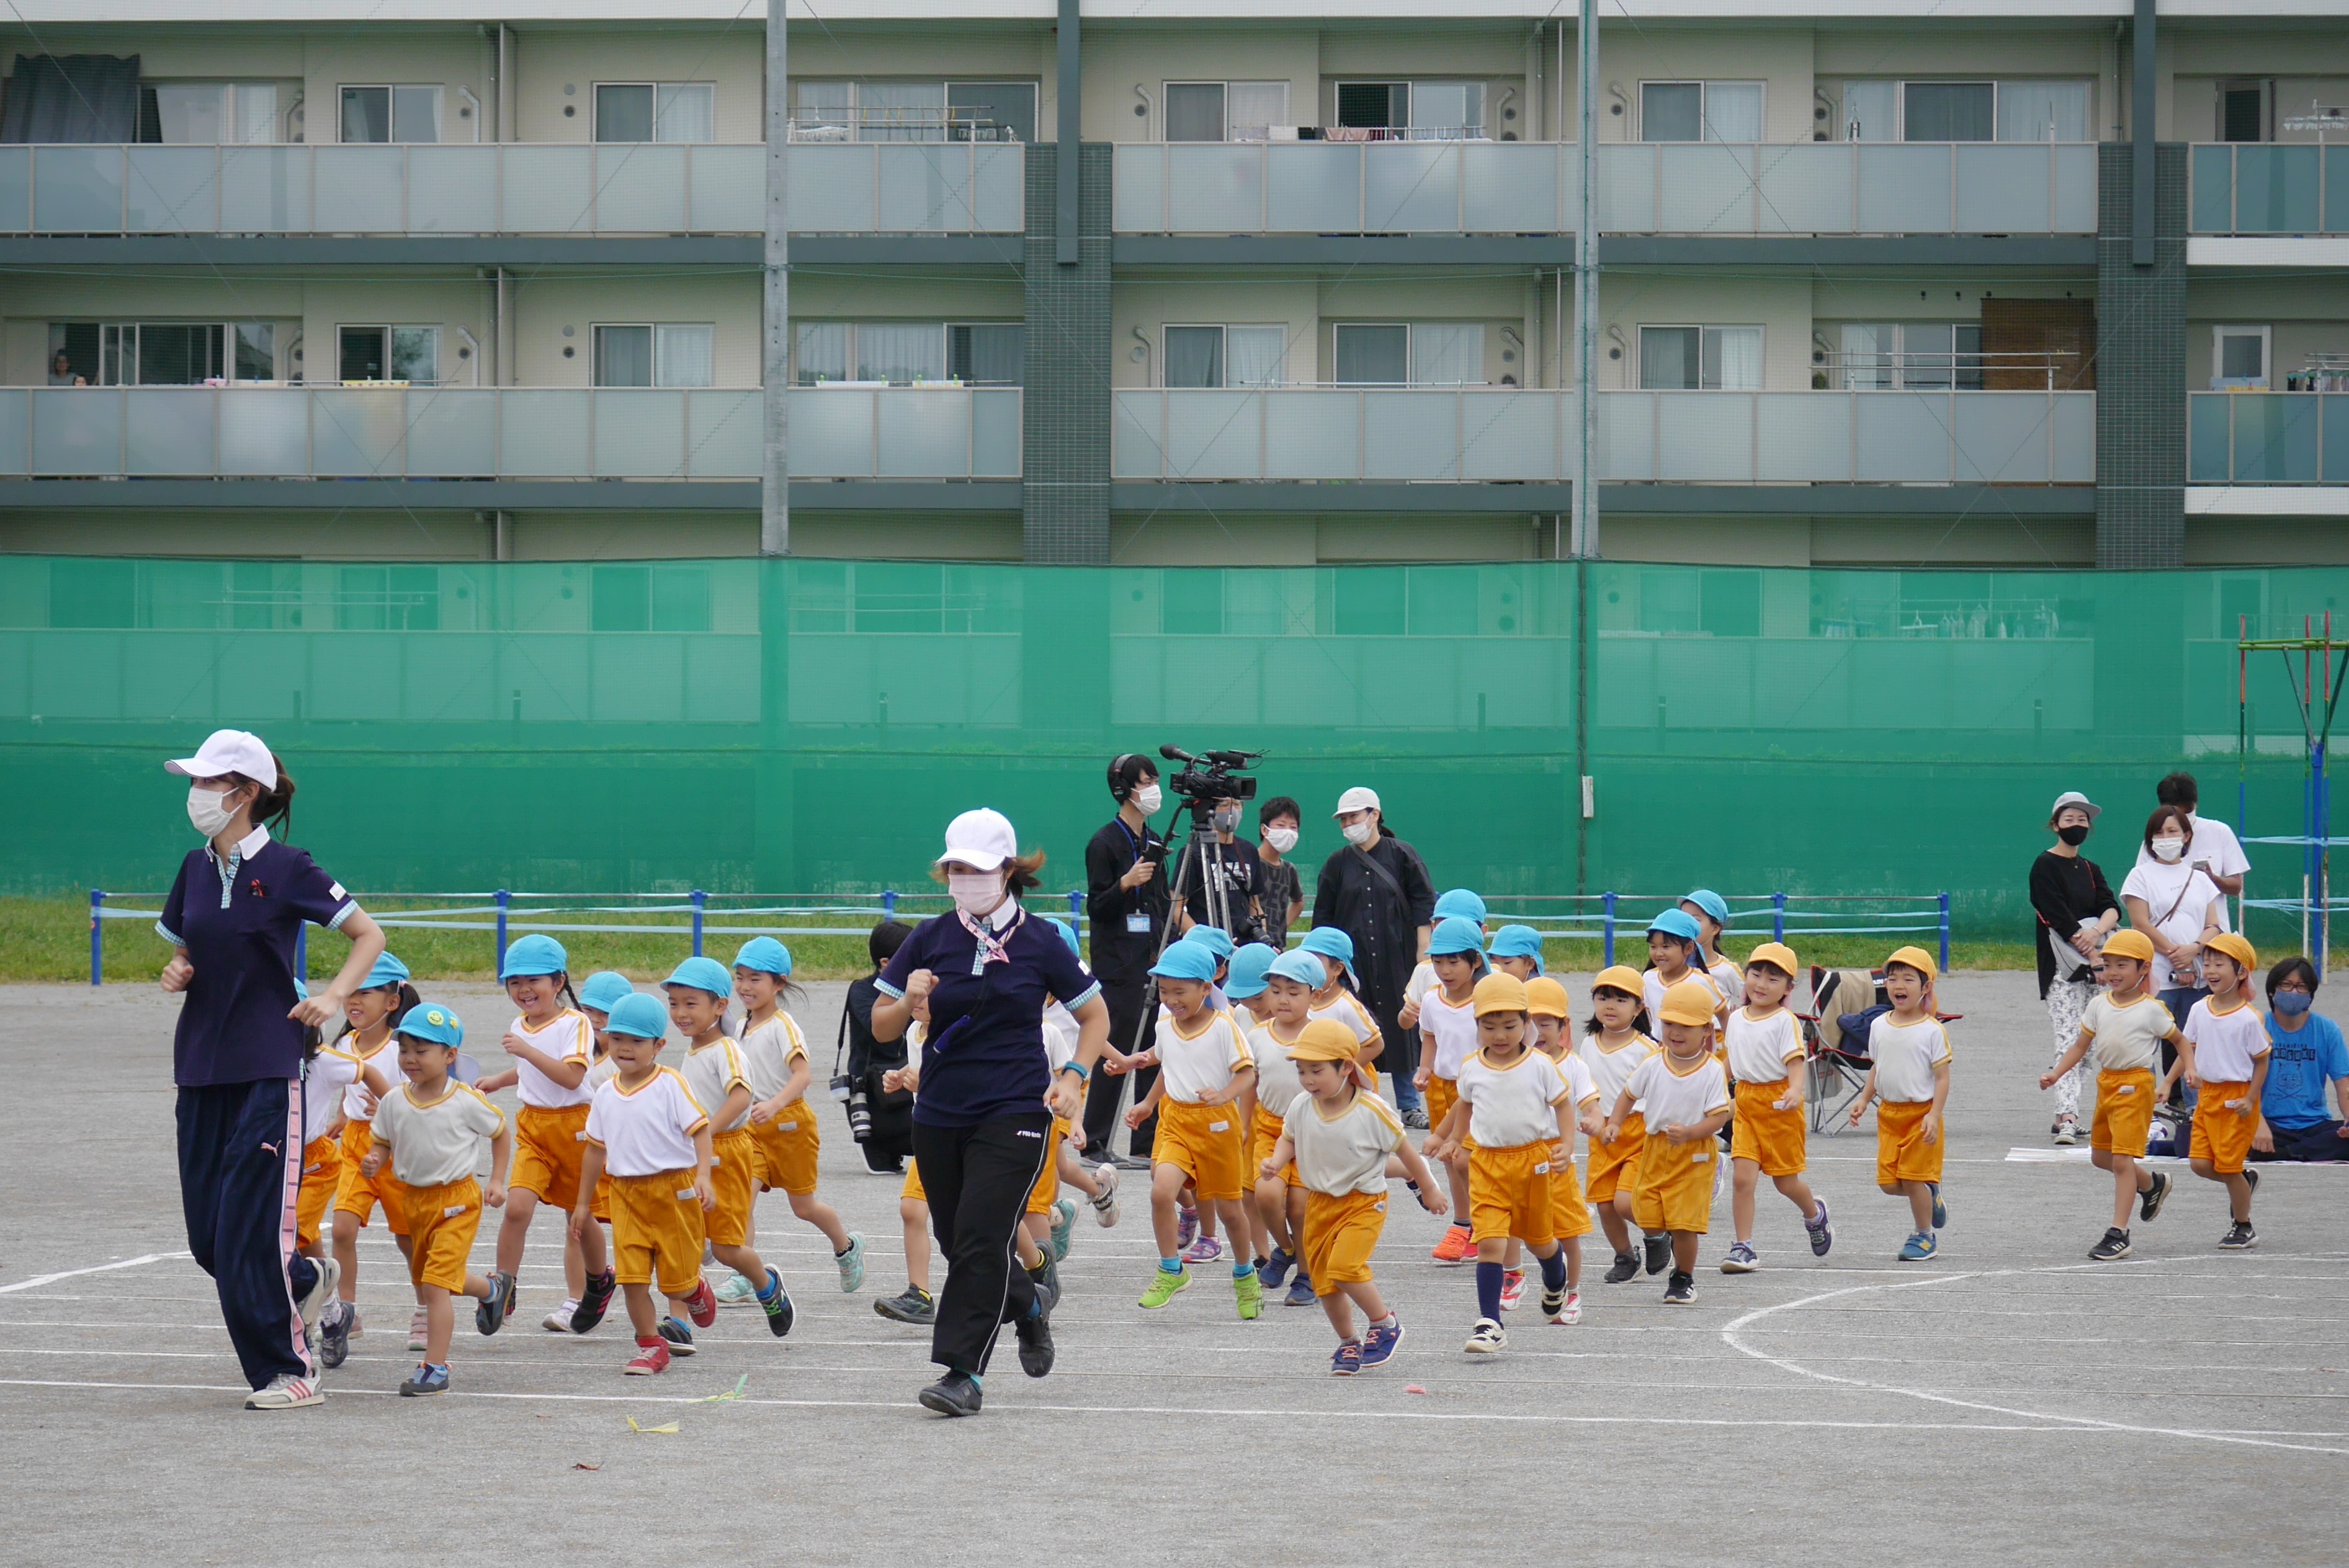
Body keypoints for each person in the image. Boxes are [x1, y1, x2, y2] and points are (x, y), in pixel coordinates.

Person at [156, 728, 387, 1410]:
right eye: (194, 781)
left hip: (268, 1061)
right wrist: (179, 967)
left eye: (209, 781)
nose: (198, 794)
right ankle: (304, 1275)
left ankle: (289, 1372)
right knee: (210, 1240)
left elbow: (368, 934)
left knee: (250, 1228)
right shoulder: (193, 869)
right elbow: (190, 949)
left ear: (246, 792)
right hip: (199, 1064)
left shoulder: (289, 866)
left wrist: (335, 996)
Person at [871, 807, 1111, 1418]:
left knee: (980, 1237)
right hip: (940, 1111)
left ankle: (963, 1373)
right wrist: (912, 1001)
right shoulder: (929, 936)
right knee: (962, 1243)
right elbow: (881, 1020)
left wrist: (1076, 1076)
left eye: (977, 867)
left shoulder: (1041, 941)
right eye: (955, 867)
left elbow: (1095, 1016)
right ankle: (1029, 1303)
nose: (964, 878)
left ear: (1007, 870)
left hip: (1017, 1109)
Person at [1260, 1020, 1445, 1375]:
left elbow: (1406, 1152)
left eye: (1317, 1071)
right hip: (1319, 1204)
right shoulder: (1302, 1105)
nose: (1308, 1080)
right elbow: (1288, 1138)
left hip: (1363, 1201)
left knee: (1344, 1269)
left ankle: (1385, 1324)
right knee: (1326, 1284)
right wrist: (1276, 1162)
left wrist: (1430, 1187)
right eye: (1301, 1071)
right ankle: (1348, 1343)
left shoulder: (1371, 1109)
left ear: (1346, 1067)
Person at [359, 1001, 512, 1397]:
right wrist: (376, 1159)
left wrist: (496, 1180)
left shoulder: (464, 1100)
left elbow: (500, 1131)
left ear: (450, 1056)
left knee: (433, 1286)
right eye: (404, 1050)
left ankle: (435, 1367)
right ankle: (492, 1290)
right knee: (435, 1277)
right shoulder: (394, 1100)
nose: (410, 1059)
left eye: (421, 1051)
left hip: (457, 1201)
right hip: (415, 1200)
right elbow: (382, 1138)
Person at [1423, 972, 1577, 1354]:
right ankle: (1490, 1323)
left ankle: (1555, 1277)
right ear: (1477, 1027)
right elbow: (1467, 1106)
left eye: (1510, 1026)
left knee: (1541, 1242)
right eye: (1489, 1027)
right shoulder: (1472, 1067)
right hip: (1488, 1164)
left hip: (1533, 1162)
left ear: (1526, 1024)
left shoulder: (1540, 1065)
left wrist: (1567, 1144)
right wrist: (1455, 1139)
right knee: (1490, 1242)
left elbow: (1562, 1104)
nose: (1500, 1035)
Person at [570, 991, 720, 1377]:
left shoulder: (671, 1084)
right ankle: (651, 1346)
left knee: (676, 1284)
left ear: (659, 1046)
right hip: (625, 1196)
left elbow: (701, 1130)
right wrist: (583, 1205)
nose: (626, 1048)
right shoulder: (604, 1093)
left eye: (638, 1041)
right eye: (618, 1039)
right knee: (633, 1279)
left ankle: (694, 1290)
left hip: (675, 1191)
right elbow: (593, 1152)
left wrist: (703, 1175)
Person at [472, 933, 601, 1343]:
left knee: (579, 1217)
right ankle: (501, 1287)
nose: (524, 990)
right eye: (514, 983)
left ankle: (599, 1282)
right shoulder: (520, 1026)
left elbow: (571, 1076)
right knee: (517, 1208)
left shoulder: (576, 1023)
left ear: (559, 982)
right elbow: (532, 1072)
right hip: (534, 1128)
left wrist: (525, 1053)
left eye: (534, 981)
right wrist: (501, 1078)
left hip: (576, 1129)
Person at [1128, 941, 1262, 1317]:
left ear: (1207, 988)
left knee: (1231, 1213)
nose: (1171, 1000)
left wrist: (1224, 1096)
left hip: (1217, 1126)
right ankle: (1172, 1269)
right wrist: (1147, 1103)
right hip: (1176, 1122)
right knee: (1161, 1191)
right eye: (1165, 991)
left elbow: (1247, 1073)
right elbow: (1165, 1063)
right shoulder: (1165, 1026)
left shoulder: (1224, 1027)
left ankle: (1244, 1274)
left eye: (1180, 992)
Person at [730, 936, 867, 1303]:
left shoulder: (783, 1025)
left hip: (790, 1124)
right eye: (740, 977)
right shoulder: (740, 1026)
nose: (745, 986)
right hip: (751, 1126)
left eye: (755, 978)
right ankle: (745, 1271)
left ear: (779, 984)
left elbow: (803, 1076)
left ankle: (847, 1246)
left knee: (803, 1207)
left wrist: (774, 1105)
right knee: (742, 1199)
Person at [666, 956, 796, 1340]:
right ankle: (679, 1322)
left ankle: (766, 1283)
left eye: (691, 1004)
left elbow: (741, 1098)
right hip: (694, 1153)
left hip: (729, 1151)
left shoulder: (725, 1050)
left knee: (726, 1248)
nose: (680, 1013)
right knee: (680, 1237)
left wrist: (701, 1133)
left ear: (720, 1006)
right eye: (674, 1004)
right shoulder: (690, 1052)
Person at [2039, 929, 2178, 1261]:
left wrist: (2172, 1081)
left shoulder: (2152, 1009)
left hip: (2136, 1085)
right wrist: (2056, 1073)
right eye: (2107, 965)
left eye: (2122, 965)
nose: (2112, 973)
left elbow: (2181, 1041)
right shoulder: (2099, 1005)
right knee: (2101, 1157)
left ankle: (2119, 1233)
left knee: (2121, 1160)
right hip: (2108, 1083)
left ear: (2144, 969)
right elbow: (2080, 1046)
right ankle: (2152, 1185)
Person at [1311, 786, 1435, 1121]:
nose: (1348, 824)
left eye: (1353, 816)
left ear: (1374, 815)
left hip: (1398, 957)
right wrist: (1324, 964)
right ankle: (1352, 1096)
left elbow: (1424, 902)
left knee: (1403, 1025)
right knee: (1352, 1026)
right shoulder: (1336, 863)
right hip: (1353, 963)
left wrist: (1424, 952)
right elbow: (1323, 915)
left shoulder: (1402, 854)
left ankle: (1409, 1104)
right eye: (1343, 819)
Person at [1604, 982, 1732, 1306]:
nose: (1675, 1031)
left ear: (1706, 1030)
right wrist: (1616, 1123)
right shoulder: (1653, 1062)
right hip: (1655, 1148)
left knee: (1684, 1224)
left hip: (1694, 1152)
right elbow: (1629, 1094)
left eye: (1686, 1026)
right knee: (1645, 1210)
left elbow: (1719, 1118)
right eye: (1669, 1023)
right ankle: (1657, 1237)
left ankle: (1683, 1277)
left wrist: (1691, 1132)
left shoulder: (1712, 1070)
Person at [321, 952, 419, 1365]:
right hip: (357, 1147)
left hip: (398, 1147)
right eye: (349, 994)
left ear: (392, 1001)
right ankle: (348, 1310)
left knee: (408, 1236)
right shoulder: (344, 1043)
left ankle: (427, 1307)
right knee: (342, 1227)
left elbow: (416, 1099)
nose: (353, 1001)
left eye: (365, 993)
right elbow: (349, 1089)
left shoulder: (406, 1048)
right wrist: (343, 1116)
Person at [1720, 943, 1831, 1273]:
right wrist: (1708, 1083)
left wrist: (1796, 1090)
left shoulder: (1786, 1022)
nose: (1762, 984)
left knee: (1785, 1183)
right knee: (1743, 1178)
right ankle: (1745, 1246)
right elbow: (1730, 1061)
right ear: (1745, 977)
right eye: (1756, 974)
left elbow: (1795, 1063)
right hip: (1746, 1103)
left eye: (1773, 978)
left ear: (1787, 988)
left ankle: (1814, 1214)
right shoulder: (1737, 1018)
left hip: (1780, 1105)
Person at [1085, 755, 1174, 1165]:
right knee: (1117, 1051)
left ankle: (1145, 1141)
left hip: (1152, 958)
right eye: (1145, 781)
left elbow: (1163, 899)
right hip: (1117, 962)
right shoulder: (1104, 842)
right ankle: (1096, 1141)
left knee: (1153, 1049)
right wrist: (1125, 882)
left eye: (1155, 779)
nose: (1153, 787)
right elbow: (1097, 907)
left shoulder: (1154, 840)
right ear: (1124, 788)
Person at [542, 969, 635, 1333]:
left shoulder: (627, 1064)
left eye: (606, 1015)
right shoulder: (575, 1052)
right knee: (575, 1225)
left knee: (645, 1231)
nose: (595, 1020)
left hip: (626, 1162)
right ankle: (577, 1298)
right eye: (590, 1011)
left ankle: (687, 1281)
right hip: (586, 1156)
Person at [2162, 932, 2269, 1249]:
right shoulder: (2199, 1009)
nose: (2210, 969)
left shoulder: (2249, 1019)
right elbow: (2188, 1049)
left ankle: (2244, 1225)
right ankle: (2243, 1183)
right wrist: (2170, 1082)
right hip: (2208, 1095)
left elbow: (2262, 1063)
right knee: (2199, 1164)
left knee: (2227, 1165)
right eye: (2206, 962)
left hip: (2236, 1098)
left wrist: (2251, 1099)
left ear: (2241, 973)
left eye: (2219, 963)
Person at [1848, 947, 1953, 1261]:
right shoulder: (1880, 1025)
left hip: (1920, 1115)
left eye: (1909, 979)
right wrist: (1865, 1099)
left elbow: (1943, 1078)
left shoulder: (1933, 1031)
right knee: (1889, 1184)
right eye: (1892, 979)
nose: (1899, 986)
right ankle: (1930, 1194)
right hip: (1889, 1114)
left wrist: (1934, 1115)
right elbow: (1877, 1067)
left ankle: (1924, 1236)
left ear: (1926, 988)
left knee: (1911, 1177)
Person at [2031, 790, 2120, 1145]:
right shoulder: (2044, 865)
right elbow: (2052, 910)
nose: (2077, 825)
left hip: (2096, 967)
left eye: (2083, 820)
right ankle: (2069, 1116)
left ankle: (2064, 1113)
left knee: (2090, 1043)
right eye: (2069, 819)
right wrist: (2086, 943)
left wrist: (2098, 933)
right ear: (2055, 825)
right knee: (2069, 1039)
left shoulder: (2091, 869)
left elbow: (2111, 907)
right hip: (2061, 967)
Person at [2119, 804, 2228, 1096]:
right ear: (2150, 840)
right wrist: (2173, 955)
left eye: (2172, 831)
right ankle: (2145, 1107)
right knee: (2145, 1042)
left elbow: (2214, 926)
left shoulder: (2200, 879)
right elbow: (2140, 923)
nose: (2166, 838)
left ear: (2186, 836)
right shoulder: (2139, 876)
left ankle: (2195, 1110)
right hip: (2156, 976)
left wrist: (2194, 950)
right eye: (2159, 833)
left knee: (2195, 1042)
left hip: (2198, 977)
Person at [1526, 975, 1599, 1324]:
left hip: (1557, 1155)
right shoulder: (1511, 1063)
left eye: (1546, 1023)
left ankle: (1571, 1291)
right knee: (1517, 1225)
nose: (1537, 1030)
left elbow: (1590, 1105)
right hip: (1518, 1153)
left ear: (1563, 1026)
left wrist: (1595, 1121)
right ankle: (1514, 1276)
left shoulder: (1574, 1065)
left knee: (1566, 1229)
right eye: (1528, 1022)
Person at [1413, 915, 1487, 1265]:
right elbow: (1430, 1036)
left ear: (1476, 961)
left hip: (1479, 1090)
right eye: (1437, 961)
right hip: (1441, 1089)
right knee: (1449, 1158)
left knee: (1468, 1158)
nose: (1445, 969)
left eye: (1454, 961)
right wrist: (1425, 1068)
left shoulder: (1487, 997)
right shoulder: (1431, 999)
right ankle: (1464, 1222)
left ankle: (1482, 1223)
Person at [1249, 948, 1319, 1307]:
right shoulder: (1258, 1035)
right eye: (1275, 991)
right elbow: (1251, 1082)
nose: (1283, 999)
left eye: (1294, 992)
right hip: (1269, 1129)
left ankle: (1308, 1276)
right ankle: (1287, 1248)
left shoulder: (1323, 1034)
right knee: (1266, 1194)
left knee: (1301, 1207)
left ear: (1314, 995)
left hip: (1312, 1134)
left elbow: (1352, 1080)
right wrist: (1244, 1128)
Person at [1580, 965, 1658, 1284]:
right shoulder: (1588, 1044)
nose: (1610, 1005)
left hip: (1637, 1132)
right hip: (1601, 1135)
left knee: (1625, 1202)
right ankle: (1626, 1255)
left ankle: (1657, 1234)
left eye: (1621, 999)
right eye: (1603, 997)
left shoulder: (1647, 1048)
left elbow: (1661, 1092)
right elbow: (1585, 1087)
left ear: (1639, 1007)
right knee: (1605, 1206)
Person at [2254, 957, 2349, 1162]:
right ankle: (2304, 1151)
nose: (2293, 992)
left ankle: (2285, 1153)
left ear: (2310, 994)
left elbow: (2344, 1084)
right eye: (2286, 985)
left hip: (2315, 1125)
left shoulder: (2327, 1029)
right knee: (2226, 1134)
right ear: (2272, 990)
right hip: (2267, 1122)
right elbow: (2242, 1084)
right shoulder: (2257, 1027)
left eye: (2301, 987)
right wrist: (2257, 1123)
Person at [843, 920, 916, 1174]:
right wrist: (910, 1001)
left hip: (910, 1085)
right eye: (912, 957)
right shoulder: (862, 992)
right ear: (886, 964)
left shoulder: (919, 991)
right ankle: (878, 1144)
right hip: (875, 1094)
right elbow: (884, 1035)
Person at [2132, 772, 2249, 925]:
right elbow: (2140, 891)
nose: (2182, 819)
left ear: (2195, 805)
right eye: (2176, 813)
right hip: (2165, 936)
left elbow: (2236, 887)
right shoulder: (2156, 841)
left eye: (2187, 813)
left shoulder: (2219, 831)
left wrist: (2212, 879)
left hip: (2212, 938)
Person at [1186, 794, 1263, 941]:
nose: (1232, 811)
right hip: (1209, 944)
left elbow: (1255, 904)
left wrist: (1262, 939)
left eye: (1237, 804)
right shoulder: (1196, 852)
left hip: (1243, 944)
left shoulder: (1249, 850)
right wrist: (1205, 940)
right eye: (1225, 805)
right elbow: (1177, 908)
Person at [1678, 890, 1746, 1010]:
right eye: (1683, 919)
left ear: (1715, 929)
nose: (1687, 925)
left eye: (1696, 920)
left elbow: (1752, 998)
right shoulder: (1673, 964)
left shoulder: (1727, 971)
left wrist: (1739, 1017)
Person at [1254, 797, 1307, 946]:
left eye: (1293, 827)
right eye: (1281, 825)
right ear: (1265, 829)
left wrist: (1281, 927)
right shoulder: (1250, 863)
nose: (1288, 832)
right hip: (1250, 945)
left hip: (1277, 946)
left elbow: (1299, 902)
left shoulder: (1289, 870)